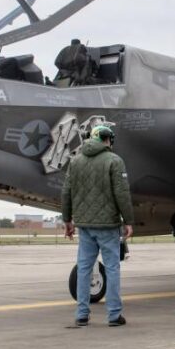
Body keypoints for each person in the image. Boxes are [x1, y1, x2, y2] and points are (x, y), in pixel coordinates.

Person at [62, 124, 134, 327]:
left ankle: (82, 314)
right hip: (108, 225)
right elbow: (122, 193)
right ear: (107, 139)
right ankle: (113, 315)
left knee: (84, 269)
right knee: (112, 268)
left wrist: (67, 220)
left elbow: (66, 192)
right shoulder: (114, 160)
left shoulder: (75, 161)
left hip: (84, 225)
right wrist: (128, 220)